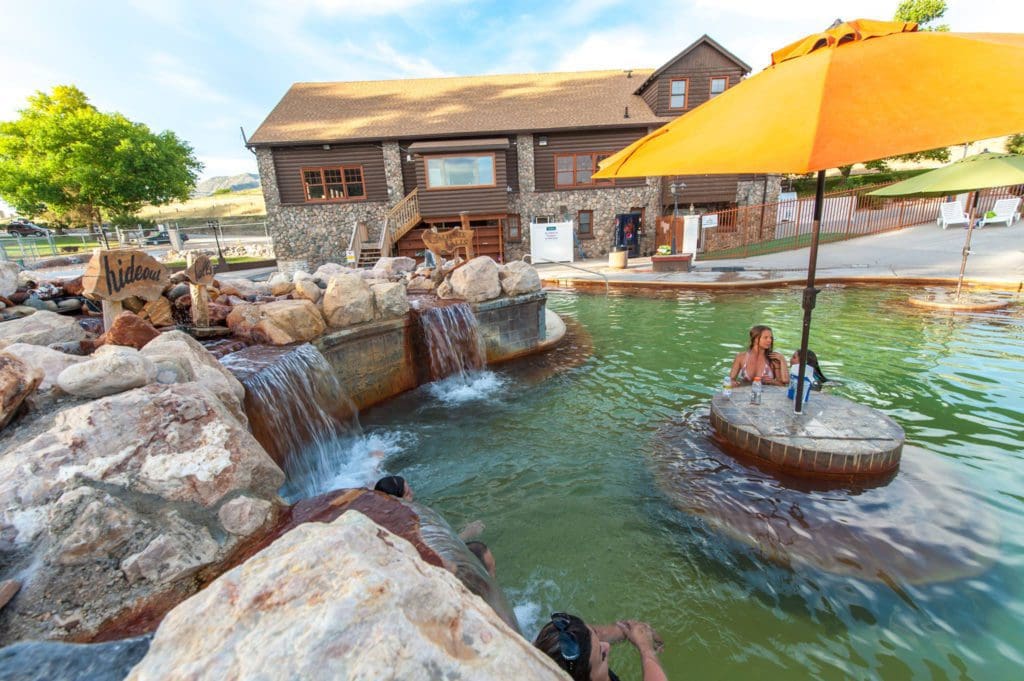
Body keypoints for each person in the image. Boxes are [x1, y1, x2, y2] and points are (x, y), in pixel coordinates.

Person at [534, 612, 667, 681]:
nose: (607, 646)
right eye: (601, 654)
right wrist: (646, 649)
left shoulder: (547, 654)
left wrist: (624, 631)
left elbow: (582, 637)